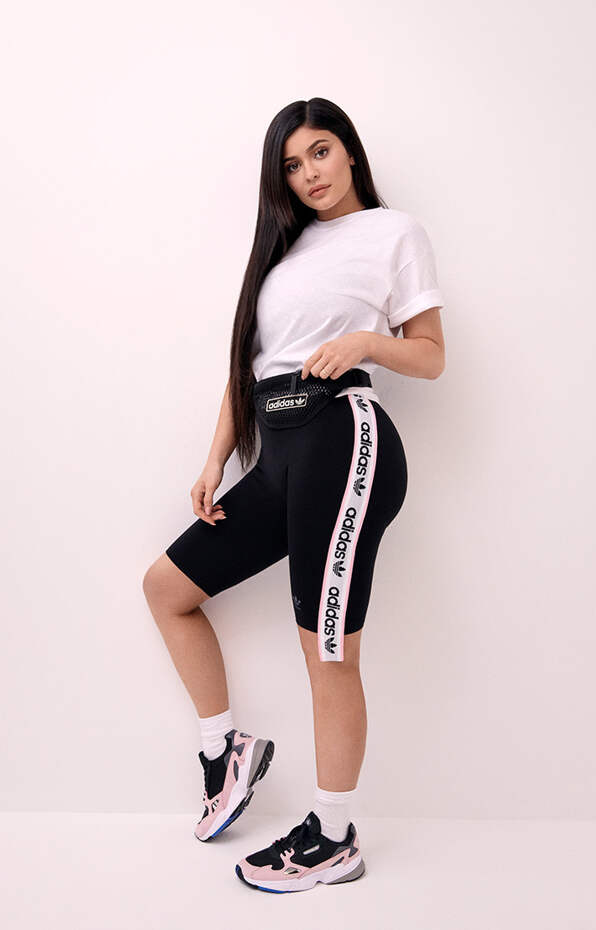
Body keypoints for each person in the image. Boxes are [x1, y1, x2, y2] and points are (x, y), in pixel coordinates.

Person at [142, 96, 446, 894]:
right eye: (291, 164)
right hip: (277, 454)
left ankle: (335, 835)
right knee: (167, 588)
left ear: (349, 152)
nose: (308, 173)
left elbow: (430, 354)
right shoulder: (282, 253)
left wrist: (368, 342)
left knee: (326, 644)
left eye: (320, 152)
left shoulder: (393, 233)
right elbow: (249, 369)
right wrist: (215, 460)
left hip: (345, 439)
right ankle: (226, 751)